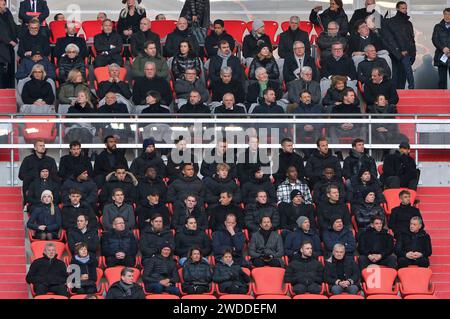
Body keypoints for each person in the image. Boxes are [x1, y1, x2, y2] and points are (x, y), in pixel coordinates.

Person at [384, 1, 416, 89]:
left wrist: (412, 53)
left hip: (407, 53)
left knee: (405, 75)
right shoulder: (390, 22)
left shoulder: (408, 23)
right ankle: (396, 96)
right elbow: (389, 39)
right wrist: (398, 51)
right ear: (397, 8)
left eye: (406, 8)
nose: (405, 10)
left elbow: (411, 39)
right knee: (395, 76)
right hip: (395, 54)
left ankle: (410, 91)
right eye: (403, 8)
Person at [19, 139, 57, 206]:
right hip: (32, 187)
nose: (43, 147)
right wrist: (34, 176)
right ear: (35, 148)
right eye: (40, 145)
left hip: (47, 186)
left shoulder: (50, 160)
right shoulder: (28, 159)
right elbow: (21, 175)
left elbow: (55, 174)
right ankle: (27, 204)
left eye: (43, 145)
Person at [0, 0, 18, 89]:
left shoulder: (7, 13)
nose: (5, 6)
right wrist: (9, 41)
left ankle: (9, 87)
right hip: (2, 45)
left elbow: (13, 25)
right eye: (3, 5)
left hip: (10, 46)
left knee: (10, 68)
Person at [432, 8, 450, 89]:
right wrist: (443, 49)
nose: (447, 16)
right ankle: (442, 100)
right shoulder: (438, 26)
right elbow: (435, 39)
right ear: (443, 15)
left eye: (449, 14)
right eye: (446, 14)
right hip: (441, 56)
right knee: (442, 81)